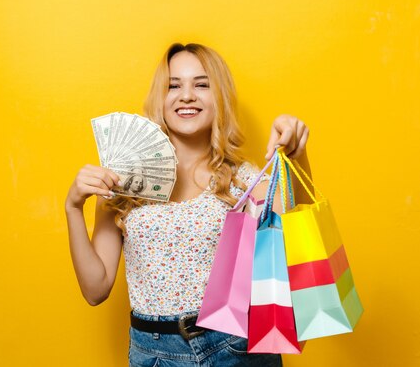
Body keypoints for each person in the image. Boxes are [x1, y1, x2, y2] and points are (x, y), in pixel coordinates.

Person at [65, 43, 312, 366]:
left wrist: (297, 154)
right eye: (173, 85)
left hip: (234, 348)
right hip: (153, 353)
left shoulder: (246, 180)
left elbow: (300, 233)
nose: (186, 96)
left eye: (201, 84)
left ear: (219, 97)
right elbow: (95, 290)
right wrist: (72, 207)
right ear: (160, 98)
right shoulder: (122, 184)